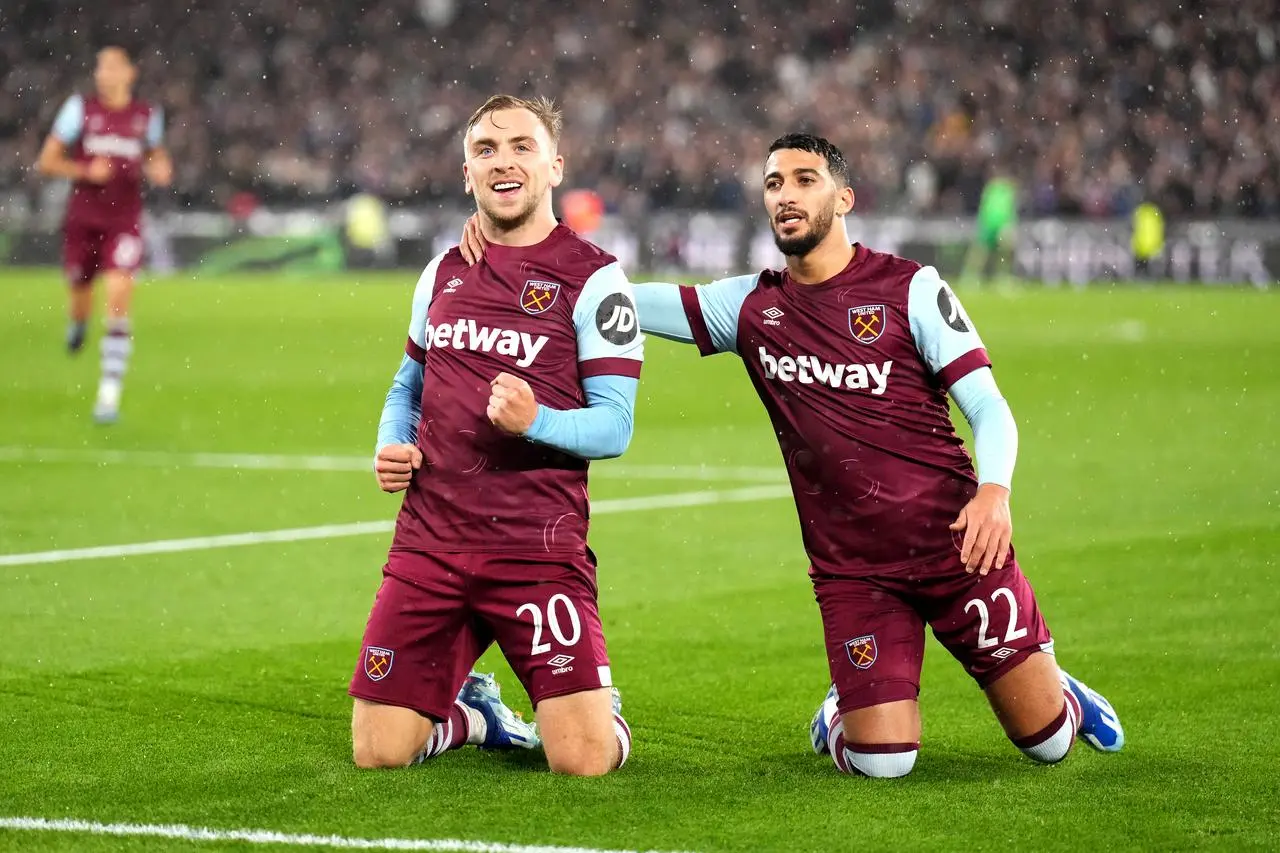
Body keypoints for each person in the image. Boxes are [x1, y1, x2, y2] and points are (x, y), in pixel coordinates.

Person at [460, 133, 1123, 778]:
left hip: (957, 545)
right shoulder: (750, 306)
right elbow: (615, 298)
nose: (786, 195)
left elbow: (989, 408)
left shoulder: (911, 289)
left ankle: (1056, 687)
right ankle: (843, 710)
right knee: (885, 762)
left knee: (1049, 743)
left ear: (844, 198)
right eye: (774, 183)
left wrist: (995, 491)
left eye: (805, 181)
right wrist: (513, 250)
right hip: (855, 571)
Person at [349, 95, 643, 777]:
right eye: (485, 149)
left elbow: (615, 425)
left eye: (520, 146)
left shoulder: (595, 278)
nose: (503, 160)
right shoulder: (443, 270)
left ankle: (600, 706)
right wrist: (392, 439)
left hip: (535, 550)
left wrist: (534, 421)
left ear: (554, 165)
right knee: (377, 751)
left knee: (583, 759)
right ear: (466, 172)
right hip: (431, 543)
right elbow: (407, 384)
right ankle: (474, 711)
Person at [35, 44, 172, 423]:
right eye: (99, 68)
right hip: (83, 220)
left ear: (131, 72)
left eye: (112, 67)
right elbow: (47, 161)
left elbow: (155, 155)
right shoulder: (80, 110)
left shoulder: (147, 116)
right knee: (81, 294)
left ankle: (108, 395)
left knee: (117, 296)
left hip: (124, 222)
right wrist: (84, 171)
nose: (103, 74)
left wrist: (160, 167)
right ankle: (78, 323)